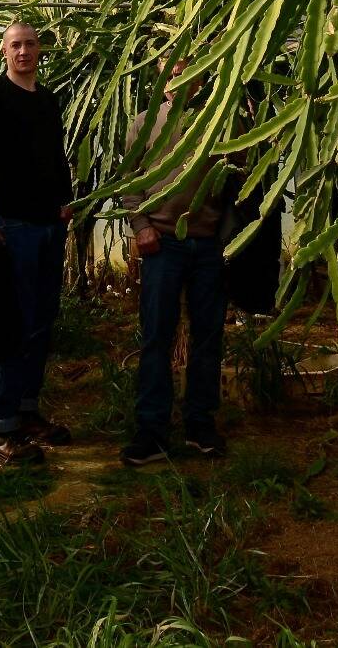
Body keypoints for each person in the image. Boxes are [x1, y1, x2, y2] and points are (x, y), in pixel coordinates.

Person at [0, 20, 73, 464]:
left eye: (28, 44)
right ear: (4, 52)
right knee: (16, 322)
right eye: (14, 46)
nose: (22, 51)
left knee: (42, 321)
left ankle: (26, 412)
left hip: (49, 224)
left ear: (39, 49)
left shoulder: (47, 100)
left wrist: (66, 202)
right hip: (14, 226)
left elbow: (55, 154)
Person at [120, 66, 229, 466]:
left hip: (208, 243)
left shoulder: (220, 115)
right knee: (156, 337)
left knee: (207, 337)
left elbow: (240, 171)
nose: (182, 80)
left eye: (191, 73)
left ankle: (201, 424)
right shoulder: (144, 123)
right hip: (161, 244)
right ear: (163, 80)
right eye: (174, 73)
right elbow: (129, 181)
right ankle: (152, 431)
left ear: (202, 78)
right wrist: (141, 225)